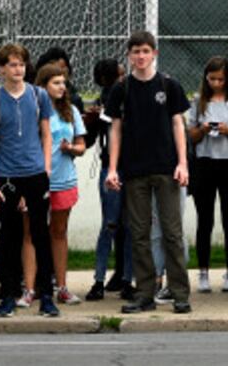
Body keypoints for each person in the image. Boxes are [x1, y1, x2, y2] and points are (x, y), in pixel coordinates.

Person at [104, 31, 193, 315]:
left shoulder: (169, 85)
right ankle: (145, 293)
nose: (140, 56)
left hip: (167, 169)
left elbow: (178, 124)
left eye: (145, 51)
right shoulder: (122, 88)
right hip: (134, 171)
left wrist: (182, 163)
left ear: (154, 53)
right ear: (129, 55)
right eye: (135, 52)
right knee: (139, 234)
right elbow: (115, 129)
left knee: (172, 233)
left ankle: (180, 293)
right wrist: (114, 168)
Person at [0, 42, 58, 318]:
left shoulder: (39, 96)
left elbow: (47, 134)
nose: (18, 69)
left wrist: (46, 167)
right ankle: (9, 294)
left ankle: (46, 295)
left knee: (40, 235)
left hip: (36, 175)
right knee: (8, 239)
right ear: (2, 69)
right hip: (6, 177)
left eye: (22, 64)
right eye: (12, 64)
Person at [188, 56, 228, 294]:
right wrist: (203, 129)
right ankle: (203, 271)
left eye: (220, 79)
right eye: (212, 79)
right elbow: (190, 135)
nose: (216, 83)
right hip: (205, 163)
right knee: (205, 220)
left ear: (227, 78)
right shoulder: (198, 100)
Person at [40, 61, 87, 304]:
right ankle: (34, 284)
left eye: (63, 83)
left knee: (58, 232)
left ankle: (62, 286)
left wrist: (72, 148)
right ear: (43, 85)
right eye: (56, 83)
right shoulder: (35, 110)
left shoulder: (71, 111)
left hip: (64, 179)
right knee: (33, 233)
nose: (61, 87)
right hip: (38, 181)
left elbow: (82, 145)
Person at [86, 57, 129, 301]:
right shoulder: (108, 95)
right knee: (115, 225)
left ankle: (118, 277)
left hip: (127, 166)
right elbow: (96, 133)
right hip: (112, 167)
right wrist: (92, 120)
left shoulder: (125, 93)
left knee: (119, 226)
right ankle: (108, 279)